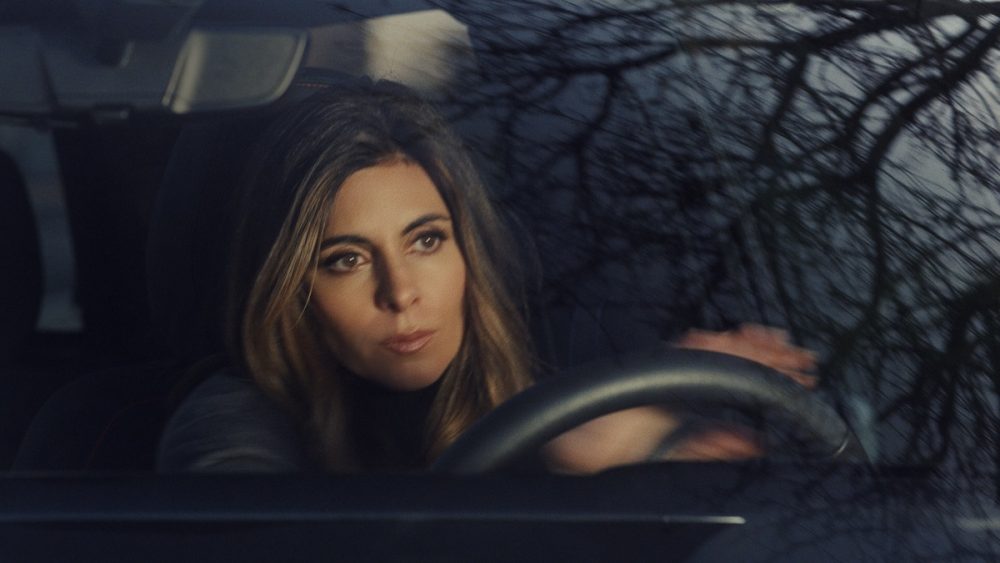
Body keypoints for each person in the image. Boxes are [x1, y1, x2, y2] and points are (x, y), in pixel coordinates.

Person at [157, 79, 816, 473]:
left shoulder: (511, 382)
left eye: (426, 240)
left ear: (466, 250)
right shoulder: (231, 418)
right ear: (292, 290)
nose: (401, 291)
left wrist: (637, 433)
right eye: (346, 259)